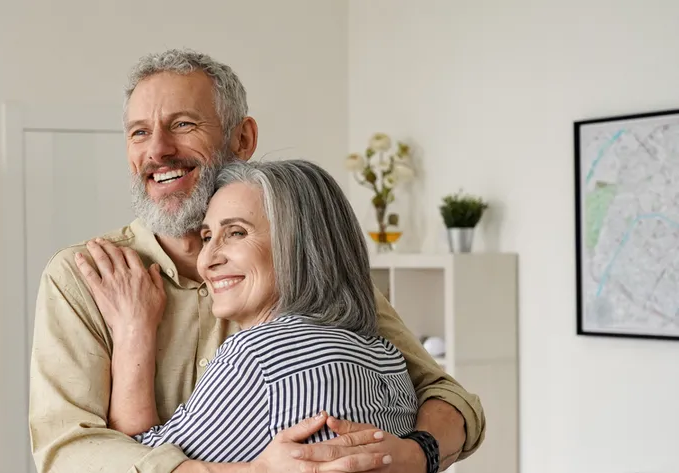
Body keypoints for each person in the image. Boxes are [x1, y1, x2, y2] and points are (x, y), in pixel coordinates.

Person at [28, 48, 485, 473]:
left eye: (183, 124)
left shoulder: (308, 274)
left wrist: (415, 454)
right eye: (139, 132)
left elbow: (447, 396)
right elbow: (67, 453)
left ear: (242, 137)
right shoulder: (81, 278)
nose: (157, 150)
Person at [83, 158, 421, 465]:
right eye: (207, 236)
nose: (208, 259)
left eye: (236, 233)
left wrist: (133, 330)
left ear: (299, 246)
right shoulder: (386, 356)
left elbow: (142, 461)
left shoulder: (259, 356)